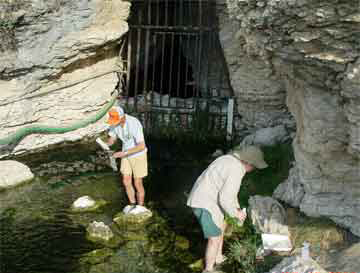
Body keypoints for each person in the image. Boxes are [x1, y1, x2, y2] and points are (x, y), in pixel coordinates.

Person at [186, 145, 268, 273]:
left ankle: (218, 257)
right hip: (204, 203)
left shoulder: (228, 159)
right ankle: (208, 269)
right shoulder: (236, 170)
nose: (253, 169)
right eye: (255, 166)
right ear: (249, 164)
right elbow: (225, 198)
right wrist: (237, 214)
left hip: (208, 197)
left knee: (223, 224)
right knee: (215, 237)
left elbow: (230, 193)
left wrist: (236, 208)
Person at [105, 106, 149, 214]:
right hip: (126, 154)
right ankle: (132, 204)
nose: (113, 123)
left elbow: (141, 146)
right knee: (126, 181)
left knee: (137, 182)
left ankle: (140, 207)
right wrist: (106, 144)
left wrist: (123, 153)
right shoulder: (114, 124)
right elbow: (112, 138)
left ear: (122, 117)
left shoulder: (134, 123)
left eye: (115, 120)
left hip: (138, 155)